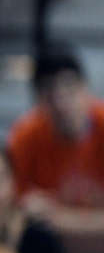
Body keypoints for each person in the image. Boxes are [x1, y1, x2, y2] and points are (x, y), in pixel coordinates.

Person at [7, 42, 104, 236]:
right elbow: (11, 213)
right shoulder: (24, 138)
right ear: (38, 99)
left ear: (84, 87)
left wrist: (60, 217)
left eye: (69, 88)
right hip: (52, 250)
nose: (61, 103)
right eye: (50, 93)